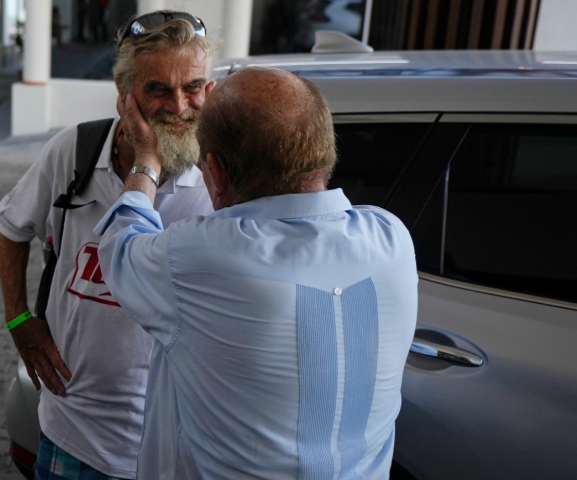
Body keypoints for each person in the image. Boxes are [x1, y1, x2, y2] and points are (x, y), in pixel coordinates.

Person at [94, 67, 419, 479]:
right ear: (325, 149)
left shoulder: (202, 255)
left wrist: (145, 160)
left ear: (215, 171)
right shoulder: (392, 238)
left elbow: (120, 244)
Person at [0, 11, 214, 480]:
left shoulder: (219, 179)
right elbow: (11, 225)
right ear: (125, 97)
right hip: (72, 432)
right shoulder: (73, 151)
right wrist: (18, 319)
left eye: (192, 86)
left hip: (172, 445)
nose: (179, 106)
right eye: (158, 89)